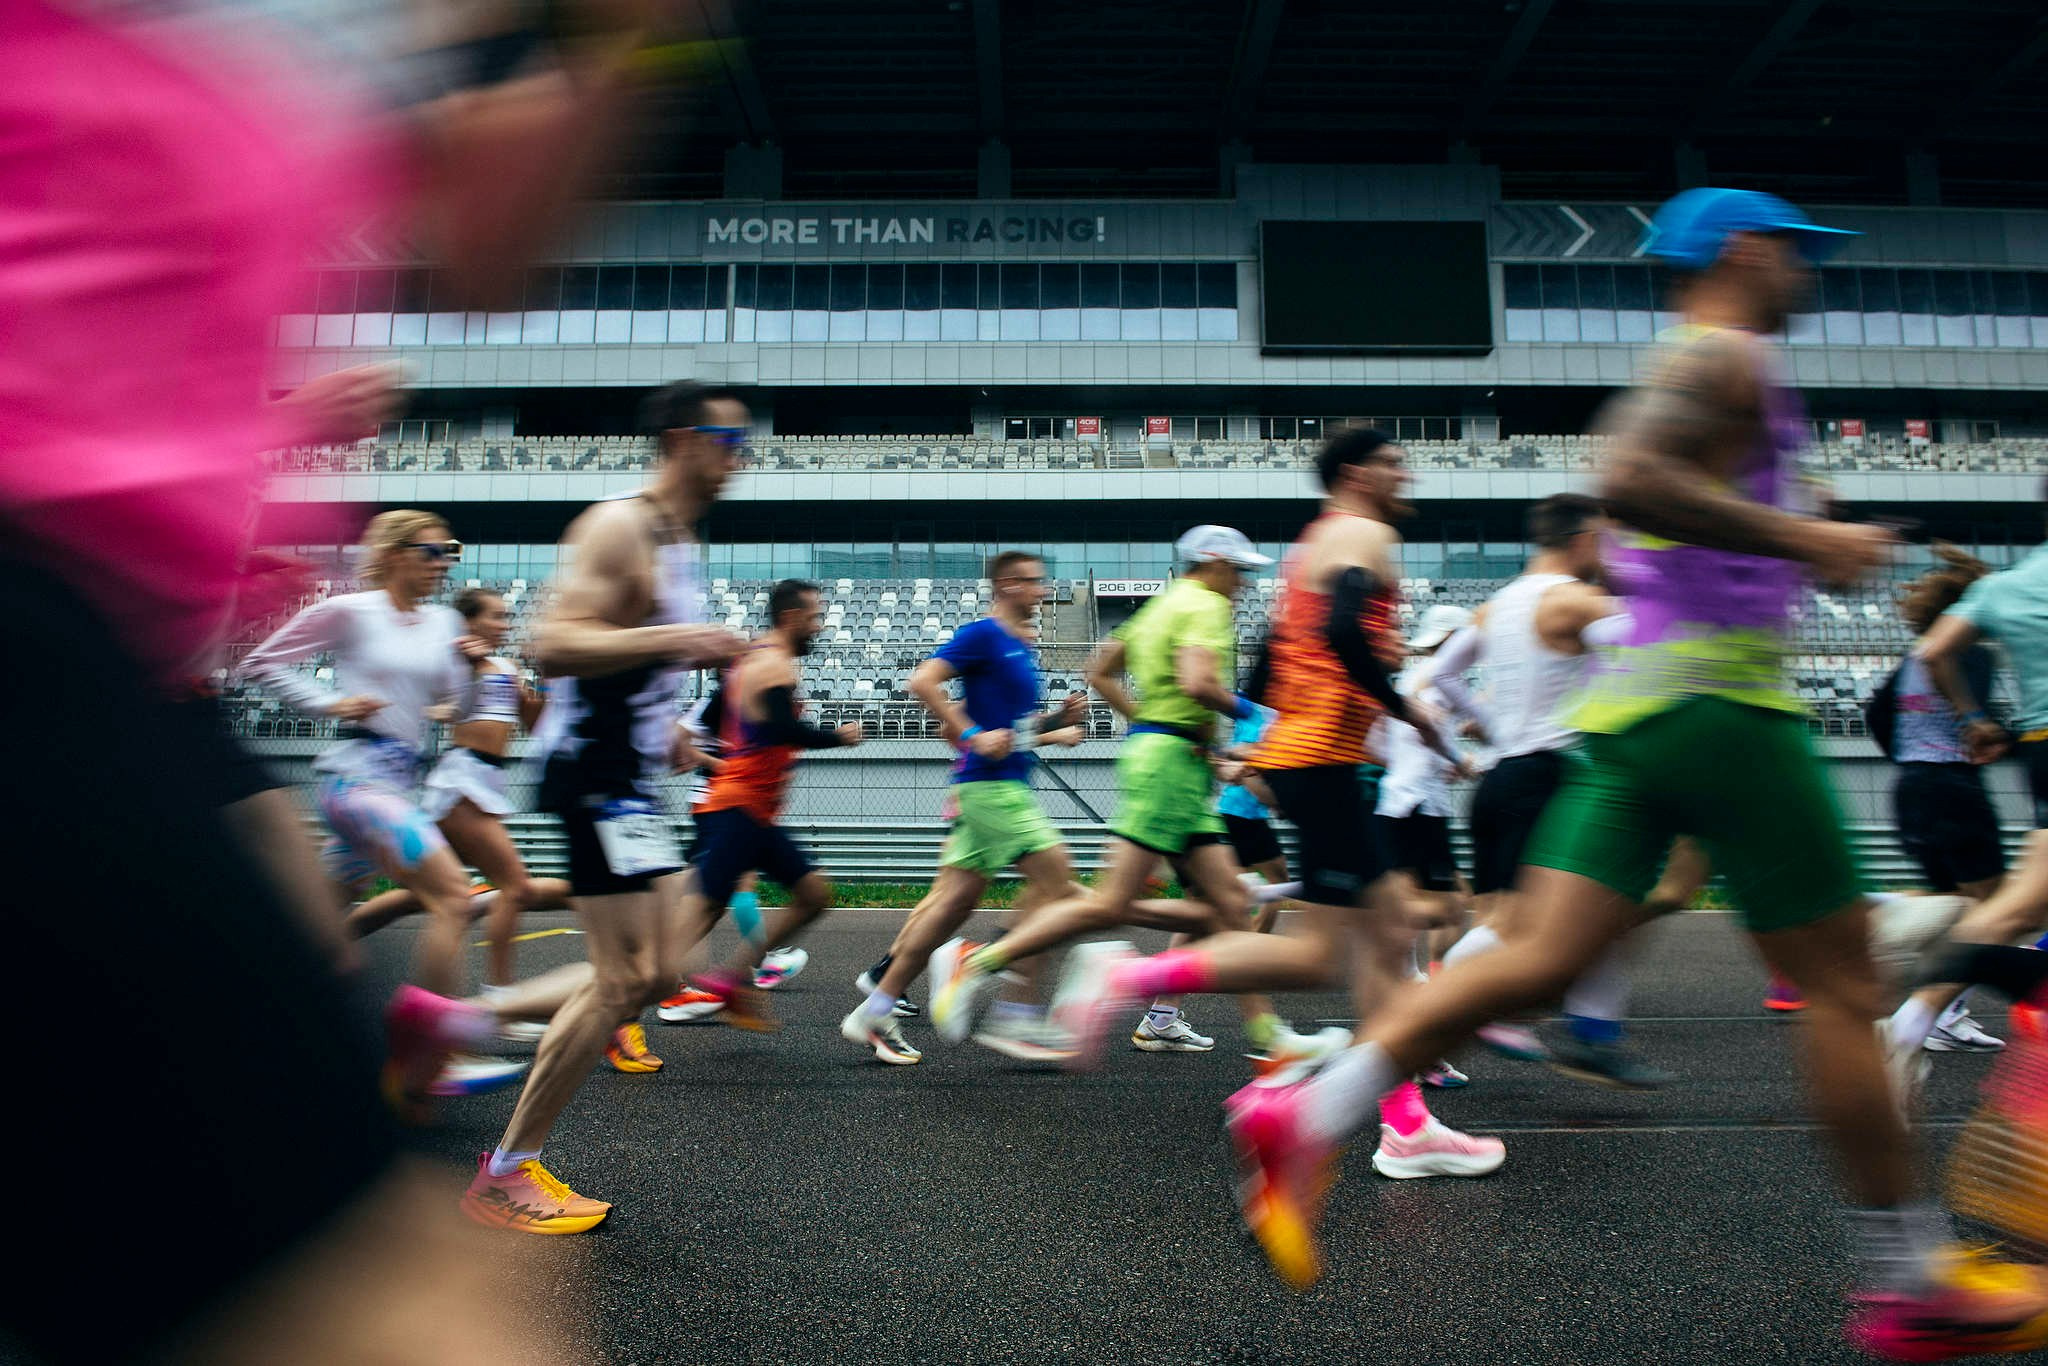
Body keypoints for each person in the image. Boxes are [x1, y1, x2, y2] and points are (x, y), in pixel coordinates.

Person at [1222, 189, 2048, 1361]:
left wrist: (1785, 527)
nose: (1808, 276)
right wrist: (1809, 541)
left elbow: (1655, 519)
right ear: (1747, 253)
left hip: (1631, 722)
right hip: (1722, 712)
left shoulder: (1705, 366)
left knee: (1538, 961)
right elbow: (1632, 478)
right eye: (1799, 255)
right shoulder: (1724, 356)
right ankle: (1907, 1276)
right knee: (1844, 991)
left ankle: (1307, 1108)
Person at [1053, 437, 1502, 1181]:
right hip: (1327, 759)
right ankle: (1126, 982)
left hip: (1311, 758)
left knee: (1365, 950)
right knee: (1345, 951)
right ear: (1358, 474)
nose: (1406, 474)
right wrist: (1407, 712)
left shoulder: (1313, 548)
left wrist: (1260, 748)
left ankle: (1405, 1126)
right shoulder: (1366, 534)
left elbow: (1266, 660)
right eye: (1394, 462)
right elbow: (1339, 633)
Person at [461, 381, 747, 1234]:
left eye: (744, 442)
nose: (738, 457)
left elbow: (631, 675)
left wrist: (675, 737)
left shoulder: (679, 543)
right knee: (625, 977)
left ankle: (463, 1020)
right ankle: (505, 1172)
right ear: (676, 439)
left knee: (654, 974)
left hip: (631, 776)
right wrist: (679, 641)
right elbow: (550, 645)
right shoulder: (619, 524)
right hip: (590, 774)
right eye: (722, 439)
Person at [927, 527, 1301, 1060]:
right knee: (1109, 904)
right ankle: (985, 963)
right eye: (1238, 569)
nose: (1243, 582)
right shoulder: (1206, 606)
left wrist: (1149, 727)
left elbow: (1099, 672)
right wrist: (1254, 713)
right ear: (1212, 563)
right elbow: (1198, 684)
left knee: (1229, 904)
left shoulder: (1162, 604)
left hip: (1171, 761)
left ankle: (1268, 1037)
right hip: (1169, 768)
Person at [242, 511, 531, 1098]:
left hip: (397, 786)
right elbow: (260, 663)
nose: (444, 564)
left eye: (451, 552)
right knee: (455, 896)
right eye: (433, 551)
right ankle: (431, 1058)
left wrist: (476, 669)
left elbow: (458, 705)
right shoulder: (352, 610)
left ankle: (254, 1031)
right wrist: (331, 704)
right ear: (397, 552)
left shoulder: (443, 622)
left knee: (320, 932)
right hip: (355, 783)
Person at [1423, 493, 1672, 1089]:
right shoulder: (1573, 599)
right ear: (1585, 539)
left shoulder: (1495, 606)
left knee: (1592, 909)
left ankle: (1593, 1032)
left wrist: (1492, 724)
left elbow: (1442, 675)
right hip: (1549, 776)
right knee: (1527, 925)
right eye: (1608, 540)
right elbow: (1653, 645)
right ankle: (1438, 1008)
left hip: (1511, 776)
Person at [842, 550, 1089, 1064]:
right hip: (992, 791)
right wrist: (972, 736)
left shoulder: (1019, 649)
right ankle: (1010, 1006)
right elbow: (923, 683)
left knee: (950, 906)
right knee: (1060, 887)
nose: (1043, 593)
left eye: (1043, 583)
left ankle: (874, 1009)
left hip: (996, 786)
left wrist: (1053, 723)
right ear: (1006, 585)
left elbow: (1009, 731)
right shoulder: (983, 636)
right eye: (1032, 583)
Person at [1885, 510, 2048, 1085]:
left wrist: (1969, 725)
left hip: (1957, 772)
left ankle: (1921, 1013)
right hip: (1951, 784)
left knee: (2008, 905)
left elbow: (1911, 676)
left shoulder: (2009, 586)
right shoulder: (1983, 631)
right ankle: (1918, 999)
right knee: (2004, 905)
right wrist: (1977, 723)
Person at [675, 579, 865, 1029]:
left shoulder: (754, 658)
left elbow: (738, 723)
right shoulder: (772, 663)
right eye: (815, 618)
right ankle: (621, 1002)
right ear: (791, 618)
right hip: (737, 808)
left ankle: (731, 980)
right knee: (693, 920)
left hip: (753, 811)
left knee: (813, 895)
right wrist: (838, 737)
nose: (818, 627)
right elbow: (780, 729)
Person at [1866, 545, 2007, 1054]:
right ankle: (1942, 1011)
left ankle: (1888, 907)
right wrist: (1991, 733)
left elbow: (1876, 713)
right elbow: (1983, 723)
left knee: (1954, 908)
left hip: (1913, 787)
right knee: (1995, 908)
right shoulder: (1968, 652)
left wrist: (1908, 759)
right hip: (1953, 787)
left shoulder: (1913, 657)